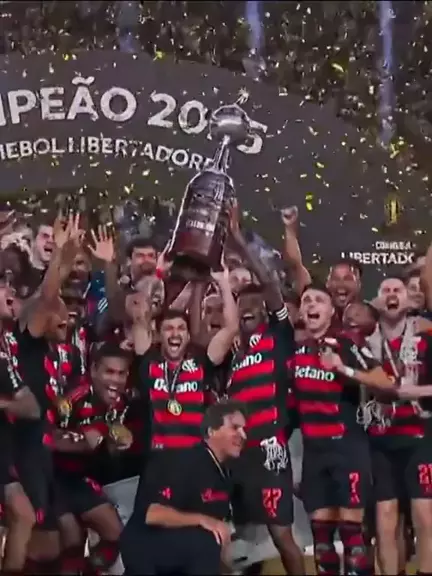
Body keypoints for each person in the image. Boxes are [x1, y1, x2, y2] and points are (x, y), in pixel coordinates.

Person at [294, 282, 395, 576]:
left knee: (353, 538)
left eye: (319, 300)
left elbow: (386, 383)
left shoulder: (347, 344)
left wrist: (343, 369)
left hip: (346, 449)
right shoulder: (297, 350)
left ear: (331, 311)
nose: (311, 304)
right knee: (322, 542)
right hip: (314, 454)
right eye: (306, 300)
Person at [120, 400, 247, 575]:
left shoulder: (225, 474)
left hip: (181, 551)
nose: (243, 435)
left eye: (244, 429)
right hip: (143, 545)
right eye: (235, 427)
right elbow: (153, 514)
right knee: (206, 541)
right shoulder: (184, 461)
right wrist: (204, 520)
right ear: (212, 431)